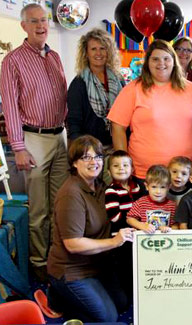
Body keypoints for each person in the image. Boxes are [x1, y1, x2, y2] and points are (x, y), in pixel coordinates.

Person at [0, 4, 68, 281]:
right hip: (33, 139)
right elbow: (11, 107)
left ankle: (57, 256)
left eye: (44, 20)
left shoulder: (55, 57)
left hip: (59, 137)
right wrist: (18, 147)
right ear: (23, 26)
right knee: (39, 210)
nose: (41, 26)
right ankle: (40, 264)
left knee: (60, 205)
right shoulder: (12, 61)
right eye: (34, 21)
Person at [47, 135, 134, 322]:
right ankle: (58, 296)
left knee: (122, 303)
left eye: (98, 157)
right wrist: (114, 241)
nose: (94, 162)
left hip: (97, 266)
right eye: (86, 157)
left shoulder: (101, 186)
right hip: (72, 270)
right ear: (75, 163)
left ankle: (69, 298)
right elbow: (73, 244)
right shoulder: (71, 194)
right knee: (108, 317)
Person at [108, 40, 192, 181]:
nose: (161, 63)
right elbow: (118, 127)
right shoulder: (133, 89)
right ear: (147, 63)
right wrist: (123, 166)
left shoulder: (191, 89)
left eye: (166, 59)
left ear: (174, 61)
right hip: (144, 174)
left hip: (183, 174)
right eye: (155, 59)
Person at [67, 28, 124, 147]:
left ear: (109, 52)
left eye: (102, 48)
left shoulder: (118, 79)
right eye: (93, 49)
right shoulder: (78, 83)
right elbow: (74, 123)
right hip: (91, 150)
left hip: (118, 145)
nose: (98, 53)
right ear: (86, 53)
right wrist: (81, 152)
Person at [105, 150, 143, 300]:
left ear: (132, 169)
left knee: (138, 266)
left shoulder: (137, 187)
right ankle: (127, 294)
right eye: (116, 166)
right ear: (109, 171)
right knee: (125, 267)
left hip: (139, 235)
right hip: (122, 238)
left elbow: (144, 207)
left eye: (125, 165)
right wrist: (134, 220)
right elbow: (114, 217)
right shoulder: (112, 191)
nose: (121, 168)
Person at [127, 165, 177, 233]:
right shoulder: (141, 203)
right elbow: (130, 219)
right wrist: (142, 226)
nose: (158, 191)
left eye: (162, 187)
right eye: (154, 187)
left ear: (169, 187)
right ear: (147, 186)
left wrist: (169, 229)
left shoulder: (172, 206)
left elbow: (176, 224)